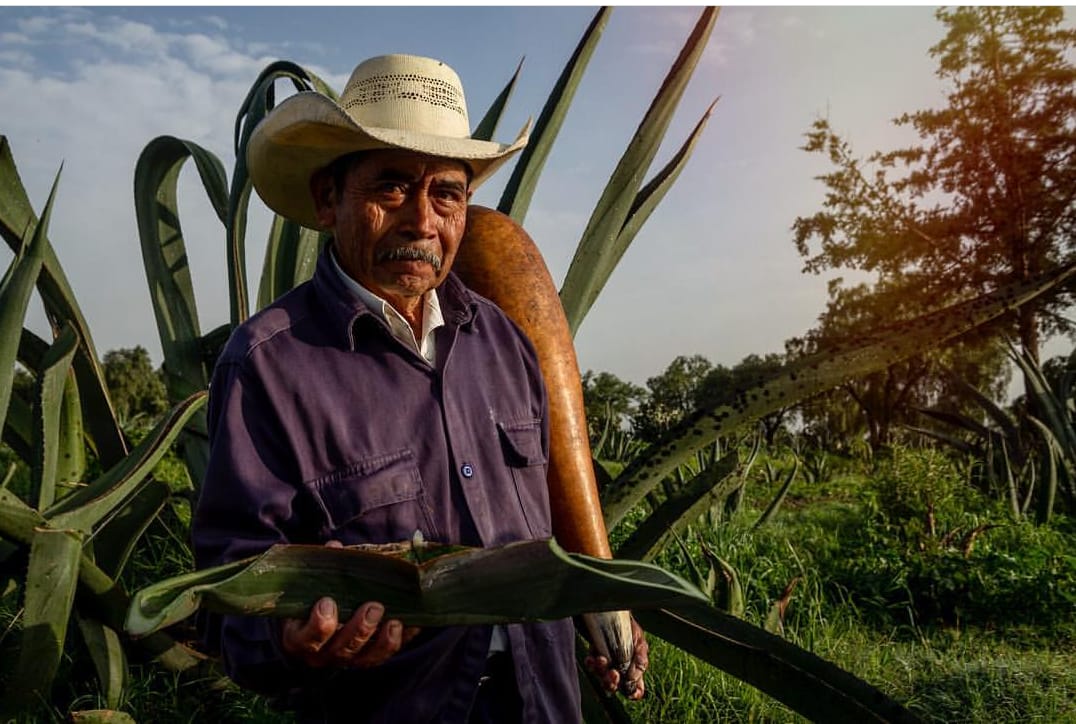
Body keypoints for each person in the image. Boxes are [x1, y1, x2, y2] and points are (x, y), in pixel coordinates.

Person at [191, 54, 647, 723]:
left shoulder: (506, 341)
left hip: (543, 701)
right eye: (392, 187)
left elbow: (545, 527)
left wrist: (595, 609)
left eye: (447, 194)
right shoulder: (268, 367)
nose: (422, 221)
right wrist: (292, 639)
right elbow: (227, 596)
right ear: (328, 199)